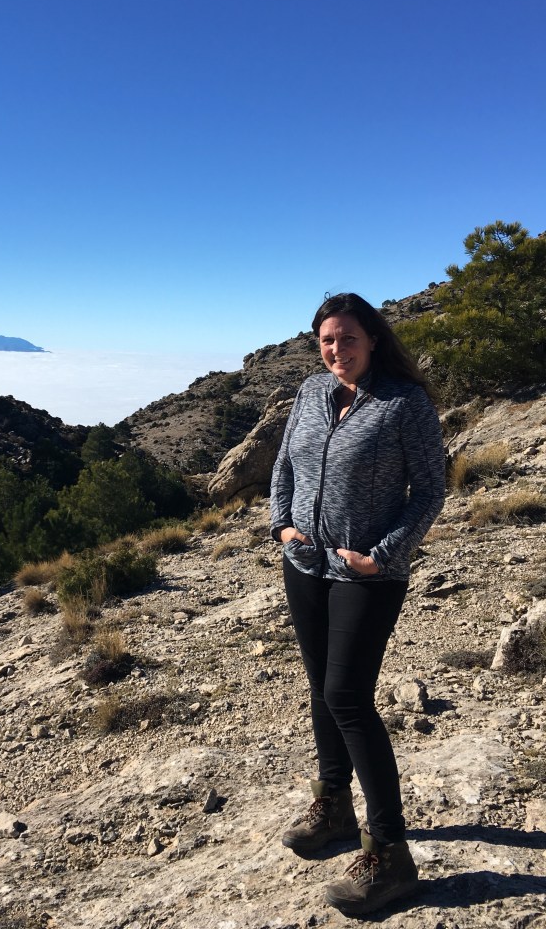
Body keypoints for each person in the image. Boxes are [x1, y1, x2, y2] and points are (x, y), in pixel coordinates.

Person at [269, 292, 445, 916]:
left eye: (347, 338)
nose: (337, 350)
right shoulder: (310, 393)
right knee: (322, 687)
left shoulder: (404, 402)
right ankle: (334, 804)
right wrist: (282, 526)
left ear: (372, 339)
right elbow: (284, 466)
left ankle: (390, 853)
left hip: (368, 573)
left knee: (346, 695)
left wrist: (382, 553)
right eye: (327, 340)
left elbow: (430, 490)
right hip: (304, 564)